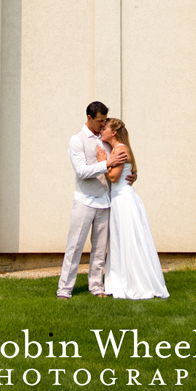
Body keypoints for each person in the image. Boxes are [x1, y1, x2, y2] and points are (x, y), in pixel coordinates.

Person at [56, 102, 131, 299]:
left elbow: (121, 160)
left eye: (105, 120)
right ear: (89, 117)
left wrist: (133, 173)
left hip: (105, 201)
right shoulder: (77, 140)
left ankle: (97, 286)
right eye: (99, 121)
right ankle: (64, 290)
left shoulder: (106, 139)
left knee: (100, 250)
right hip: (84, 200)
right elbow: (81, 171)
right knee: (75, 247)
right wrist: (107, 163)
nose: (103, 124)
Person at [97, 118, 169, 300]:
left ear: (113, 132)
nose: (101, 130)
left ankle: (136, 282)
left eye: (104, 128)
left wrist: (103, 162)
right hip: (119, 199)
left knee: (129, 240)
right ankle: (121, 280)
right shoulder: (118, 149)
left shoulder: (120, 149)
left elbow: (113, 177)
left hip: (124, 200)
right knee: (122, 240)